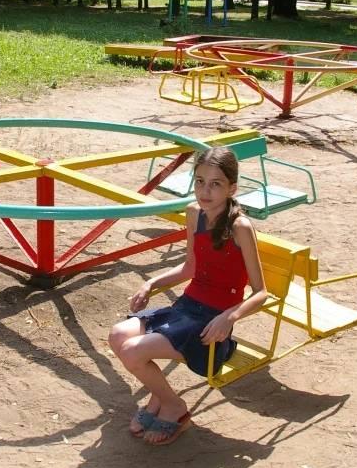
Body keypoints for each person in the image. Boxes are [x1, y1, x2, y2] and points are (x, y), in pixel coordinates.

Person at [108, 146, 267, 445]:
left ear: (232, 188)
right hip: (186, 308)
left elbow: (261, 292)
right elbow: (189, 268)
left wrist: (228, 317)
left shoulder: (240, 227)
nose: (205, 191)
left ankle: (175, 408)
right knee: (118, 335)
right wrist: (151, 283)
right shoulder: (194, 213)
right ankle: (160, 397)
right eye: (200, 181)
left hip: (211, 326)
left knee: (131, 351)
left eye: (216, 184)